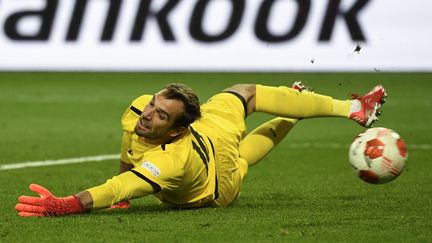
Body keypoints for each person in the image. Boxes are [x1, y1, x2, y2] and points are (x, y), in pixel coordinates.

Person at [15, 81, 387, 217]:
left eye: (161, 115)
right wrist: (121, 180)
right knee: (245, 109)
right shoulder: (138, 109)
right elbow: (127, 155)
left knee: (237, 158)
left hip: (216, 188)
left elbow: (119, 188)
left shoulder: (171, 158)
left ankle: (352, 109)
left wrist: (67, 204)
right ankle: (295, 112)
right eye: (153, 105)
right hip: (208, 170)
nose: (148, 115)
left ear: (177, 129)